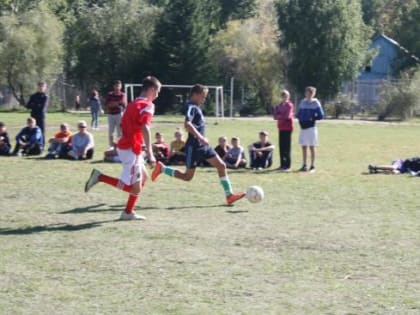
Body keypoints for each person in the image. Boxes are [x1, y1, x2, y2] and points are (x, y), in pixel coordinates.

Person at [151, 84, 245, 205]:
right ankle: (162, 168)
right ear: (195, 95)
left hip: (203, 147)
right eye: (202, 96)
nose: (204, 99)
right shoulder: (191, 107)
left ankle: (229, 195)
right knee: (187, 177)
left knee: (221, 165)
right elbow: (187, 124)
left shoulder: (196, 107)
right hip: (194, 147)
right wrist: (201, 137)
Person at [84, 76, 160, 220]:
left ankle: (128, 212)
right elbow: (145, 127)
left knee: (143, 177)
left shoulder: (132, 104)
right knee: (134, 187)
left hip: (128, 146)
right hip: (131, 149)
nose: (158, 95)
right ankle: (100, 177)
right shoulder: (148, 105)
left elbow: (124, 125)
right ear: (151, 89)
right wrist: (150, 152)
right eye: (158, 91)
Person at [296, 86, 324, 173]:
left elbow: (321, 115)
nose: (308, 95)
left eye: (310, 93)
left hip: (311, 127)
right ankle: (304, 165)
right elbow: (299, 113)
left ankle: (312, 166)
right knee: (304, 146)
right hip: (303, 127)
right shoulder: (302, 102)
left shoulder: (316, 103)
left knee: (312, 146)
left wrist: (312, 118)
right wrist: (300, 118)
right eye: (307, 93)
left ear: (313, 94)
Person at [273, 90, 294, 172]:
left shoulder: (289, 105)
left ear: (288, 97)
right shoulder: (279, 105)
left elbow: (287, 116)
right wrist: (280, 115)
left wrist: (279, 115)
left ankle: (287, 166)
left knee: (287, 147)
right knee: (281, 146)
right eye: (282, 96)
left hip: (288, 128)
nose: (284, 98)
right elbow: (275, 116)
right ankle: (282, 164)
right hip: (281, 127)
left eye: (285, 96)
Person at [104, 80, 126, 148]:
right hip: (110, 114)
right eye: (116, 86)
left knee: (119, 131)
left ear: (120, 87)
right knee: (111, 131)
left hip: (119, 114)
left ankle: (119, 145)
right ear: (114, 86)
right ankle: (111, 145)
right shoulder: (109, 94)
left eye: (118, 86)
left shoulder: (122, 95)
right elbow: (106, 104)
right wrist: (114, 104)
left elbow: (120, 103)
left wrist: (112, 103)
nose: (117, 87)